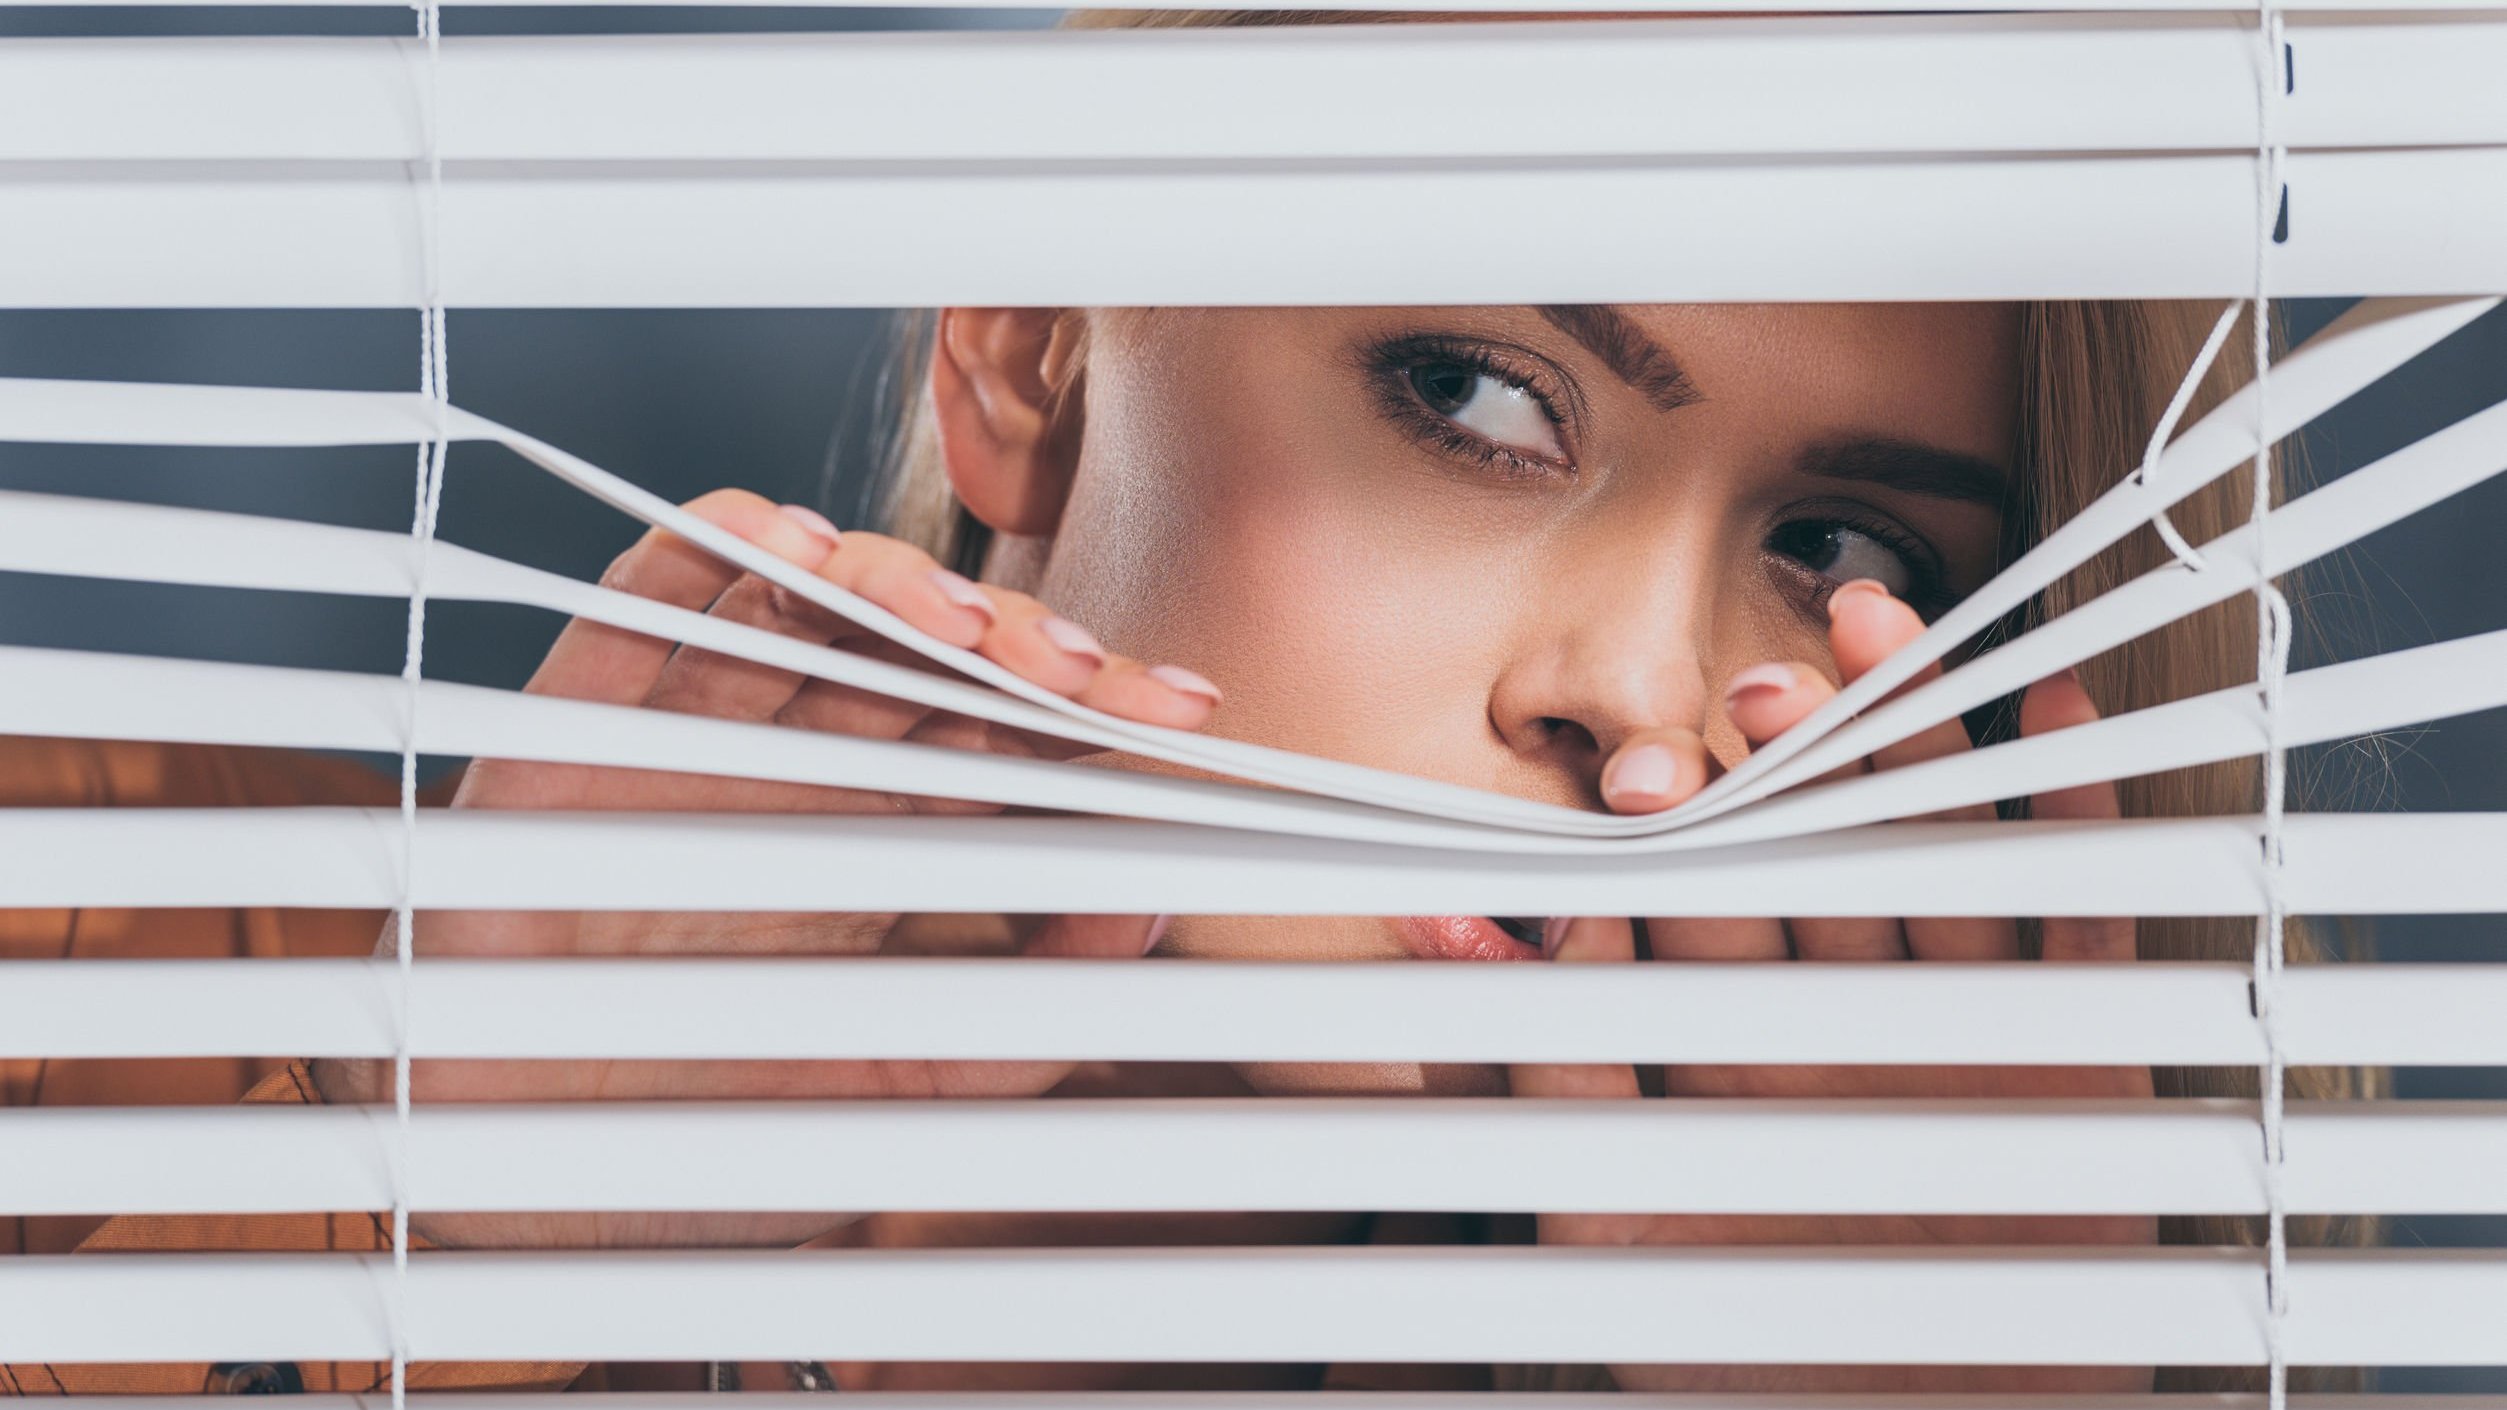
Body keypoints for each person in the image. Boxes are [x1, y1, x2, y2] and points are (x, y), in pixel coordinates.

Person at [2, 16, 2371, 1399]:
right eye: (1477, 392)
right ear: (1034, 342)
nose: (1629, 703)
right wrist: (431, 1232)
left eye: (1852, 557)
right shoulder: (90, 958)